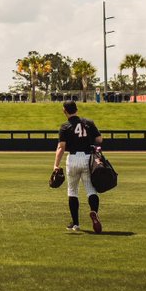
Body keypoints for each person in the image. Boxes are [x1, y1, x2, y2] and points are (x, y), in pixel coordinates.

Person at [52, 100, 103, 233]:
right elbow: (99, 140)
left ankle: (75, 224)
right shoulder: (89, 123)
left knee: (72, 190)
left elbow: (61, 147)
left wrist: (56, 165)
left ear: (65, 111)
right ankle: (94, 212)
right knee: (91, 189)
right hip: (87, 158)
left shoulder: (65, 126)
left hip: (73, 158)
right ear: (77, 109)